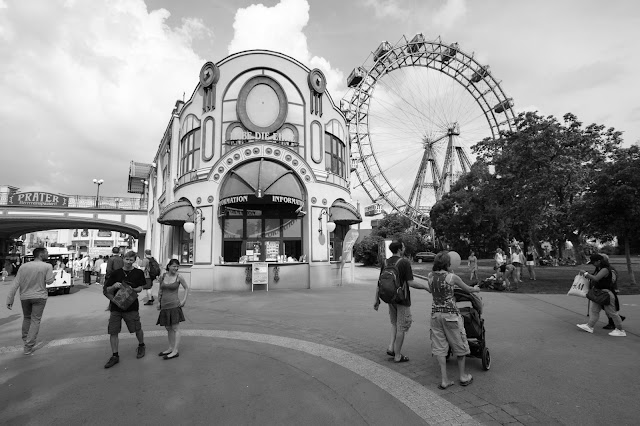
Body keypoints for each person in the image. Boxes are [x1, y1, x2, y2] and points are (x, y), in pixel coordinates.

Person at [426, 251, 481, 389]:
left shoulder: (430, 276)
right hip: (451, 316)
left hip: (435, 315)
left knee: (440, 347)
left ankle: (444, 380)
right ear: (447, 263)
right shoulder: (451, 277)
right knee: (459, 343)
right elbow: (467, 289)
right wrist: (475, 289)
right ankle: (463, 376)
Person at [373, 241, 431, 363]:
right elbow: (411, 283)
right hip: (402, 299)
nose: (404, 248)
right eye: (403, 246)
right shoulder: (404, 262)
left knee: (394, 324)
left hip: (389, 298)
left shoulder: (386, 262)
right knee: (401, 327)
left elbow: (380, 281)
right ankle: (398, 355)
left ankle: (391, 347)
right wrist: (425, 287)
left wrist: (376, 299)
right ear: (400, 249)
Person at [6, 247, 54, 355]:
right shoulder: (47, 266)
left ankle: (25, 340)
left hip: (25, 297)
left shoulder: (24, 266)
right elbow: (49, 282)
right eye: (46, 252)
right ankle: (28, 346)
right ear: (41, 255)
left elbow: (16, 283)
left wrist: (10, 298)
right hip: (40, 297)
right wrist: (53, 276)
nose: (48, 254)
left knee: (27, 318)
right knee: (35, 320)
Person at [103, 250, 147, 368]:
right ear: (123, 259)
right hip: (116, 307)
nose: (128, 262)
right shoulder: (116, 273)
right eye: (126, 259)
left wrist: (132, 288)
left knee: (137, 328)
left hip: (131, 305)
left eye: (131, 260)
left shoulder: (138, 273)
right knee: (113, 331)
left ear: (134, 260)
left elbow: (140, 288)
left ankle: (141, 345)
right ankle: (115, 355)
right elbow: (107, 289)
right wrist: (114, 286)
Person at [577, 254, 626, 337]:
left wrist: (585, 274)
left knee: (612, 313)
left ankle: (620, 330)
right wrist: (588, 274)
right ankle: (589, 326)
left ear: (599, 261)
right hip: (600, 293)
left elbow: (596, 278)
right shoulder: (600, 268)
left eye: (593, 262)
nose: (593, 264)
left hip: (606, 294)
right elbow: (595, 277)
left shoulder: (605, 269)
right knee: (594, 310)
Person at [156, 259, 189, 359]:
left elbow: (186, 288)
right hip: (164, 306)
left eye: (177, 266)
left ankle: (175, 350)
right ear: (169, 266)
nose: (176, 268)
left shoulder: (179, 277)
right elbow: (160, 289)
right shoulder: (163, 276)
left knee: (175, 328)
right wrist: (158, 301)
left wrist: (184, 300)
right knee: (168, 328)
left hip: (174, 305)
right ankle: (170, 348)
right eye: (174, 266)